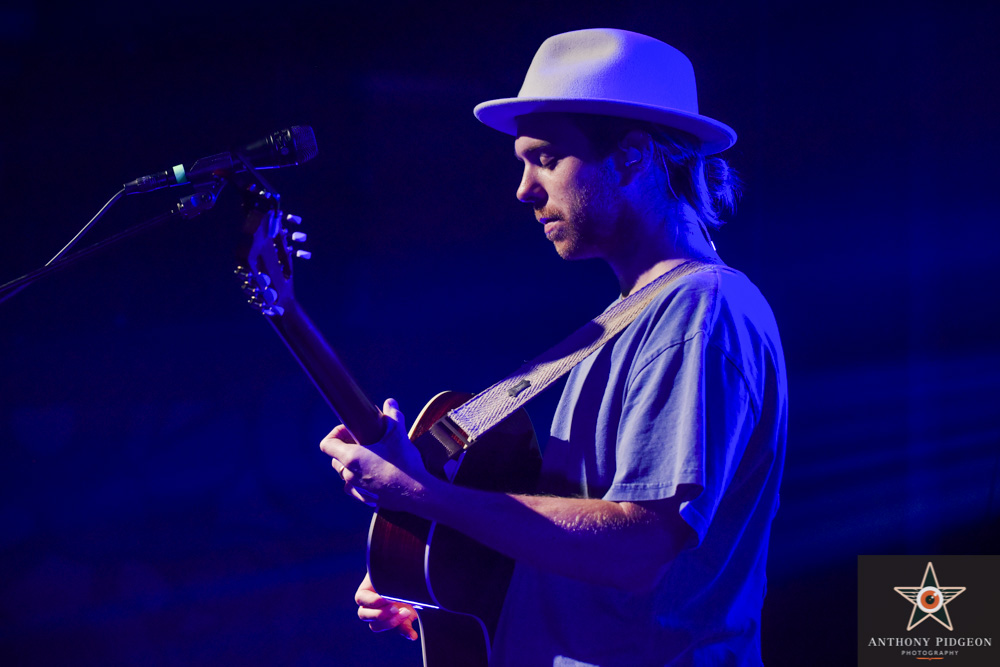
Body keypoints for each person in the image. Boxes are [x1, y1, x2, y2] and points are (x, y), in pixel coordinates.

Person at [320, 28, 787, 666]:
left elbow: (638, 550)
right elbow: (578, 557)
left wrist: (426, 496)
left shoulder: (698, 313)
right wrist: (434, 587)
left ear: (633, 156)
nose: (523, 188)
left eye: (544, 158)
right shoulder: (634, 320)